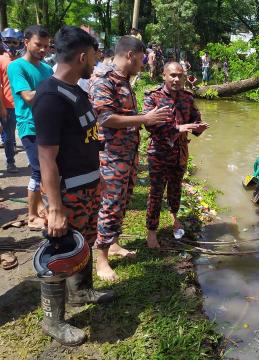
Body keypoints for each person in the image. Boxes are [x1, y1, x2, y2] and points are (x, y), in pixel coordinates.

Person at [33, 25, 115, 347]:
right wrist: (54, 207)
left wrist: (99, 176)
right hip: (65, 195)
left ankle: (81, 291)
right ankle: (53, 321)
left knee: (85, 241)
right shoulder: (50, 98)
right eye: (94, 56)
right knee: (60, 250)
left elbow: (87, 141)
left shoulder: (78, 92)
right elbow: (46, 159)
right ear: (82, 56)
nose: (96, 61)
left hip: (88, 188)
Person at [89, 35, 171, 281]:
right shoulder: (104, 81)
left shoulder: (124, 80)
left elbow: (126, 116)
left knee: (122, 202)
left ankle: (113, 244)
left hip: (127, 154)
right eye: (142, 59)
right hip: (111, 155)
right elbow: (105, 118)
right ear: (130, 55)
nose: (144, 64)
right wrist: (145, 119)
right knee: (110, 205)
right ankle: (101, 259)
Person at [143, 62, 209, 248]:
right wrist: (179, 128)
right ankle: (151, 232)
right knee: (156, 193)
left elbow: (194, 120)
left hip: (180, 153)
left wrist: (199, 127)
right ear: (163, 75)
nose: (176, 79)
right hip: (159, 154)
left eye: (180, 75)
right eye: (172, 75)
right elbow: (150, 125)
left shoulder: (187, 97)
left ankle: (174, 217)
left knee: (176, 188)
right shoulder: (153, 97)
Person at [8, 25, 53, 231]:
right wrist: (55, 88)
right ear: (26, 43)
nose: (43, 49)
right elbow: (27, 96)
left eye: (47, 46)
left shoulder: (48, 69)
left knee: (49, 169)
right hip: (30, 125)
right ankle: (31, 214)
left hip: (49, 126)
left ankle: (41, 206)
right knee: (38, 170)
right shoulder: (17, 66)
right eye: (39, 45)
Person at [0, 28, 24, 173]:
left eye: (15, 42)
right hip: (6, 105)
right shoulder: (1, 59)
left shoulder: (21, 61)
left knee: (23, 134)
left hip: (21, 104)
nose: (12, 45)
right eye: (9, 41)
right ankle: (10, 162)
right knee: (9, 137)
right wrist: (1, 107)